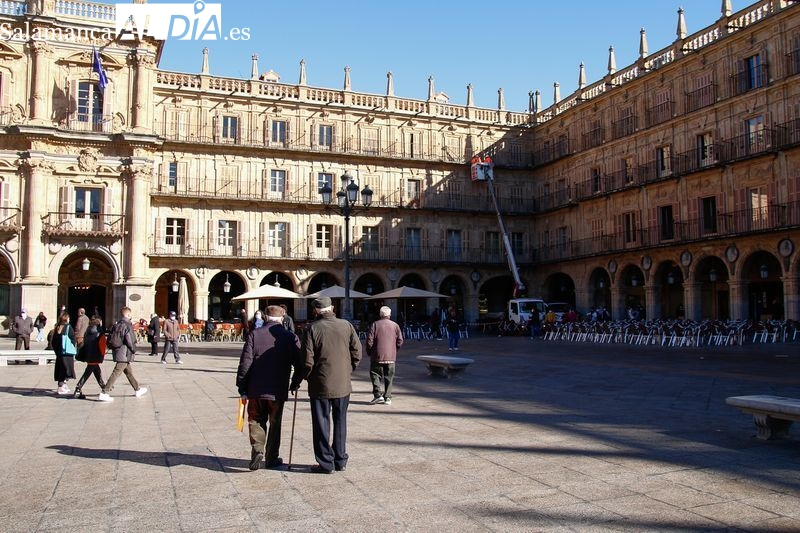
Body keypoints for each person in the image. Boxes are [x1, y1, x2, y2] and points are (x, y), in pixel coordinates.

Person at [294, 296, 361, 474]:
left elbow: (307, 361)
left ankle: (326, 463)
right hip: (343, 384)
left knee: (321, 423)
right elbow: (357, 351)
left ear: (316, 310)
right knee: (341, 422)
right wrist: (348, 370)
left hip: (320, 384)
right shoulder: (346, 325)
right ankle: (340, 460)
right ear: (331, 308)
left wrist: (300, 379)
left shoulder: (312, 328)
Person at [236, 305, 302, 471]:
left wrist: (242, 386)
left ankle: (258, 449)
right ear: (282, 318)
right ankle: (272, 457)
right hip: (278, 389)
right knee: (275, 422)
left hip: (256, 388)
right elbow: (300, 363)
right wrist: (295, 382)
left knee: (256, 419)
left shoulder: (254, 334)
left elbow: (245, 363)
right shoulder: (289, 336)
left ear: (265, 317)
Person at [98, 306, 147, 402]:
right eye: (130, 314)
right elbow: (129, 340)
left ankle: (137, 389)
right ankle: (104, 392)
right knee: (116, 372)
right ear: (128, 314)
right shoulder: (127, 325)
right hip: (124, 352)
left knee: (128, 372)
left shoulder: (117, 324)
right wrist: (133, 349)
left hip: (118, 351)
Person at [365, 306, 403, 405]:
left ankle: (377, 395)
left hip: (377, 355)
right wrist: (395, 350)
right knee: (389, 376)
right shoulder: (395, 325)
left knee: (375, 374)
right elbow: (400, 340)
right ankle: (388, 397)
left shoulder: (375, 325)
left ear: (380, 314)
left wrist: (369, 351)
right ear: (389, 315)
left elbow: (369, 340)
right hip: (391, 356)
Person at [73, 316, 106, 399]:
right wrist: (102, 355)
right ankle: (78, 388)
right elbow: (102, 346)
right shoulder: (99, 333)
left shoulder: (88, 331)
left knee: (97, 371)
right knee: (87, 373)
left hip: (89, 355)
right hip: (96, 356)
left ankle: (104, 387)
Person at [51, 311, 76, 394]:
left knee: (62, 368)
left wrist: (57, 351)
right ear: (66, 318)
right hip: (67, 352)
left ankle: (63, 384)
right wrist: (72, 345)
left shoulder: (57, 327)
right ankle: (61, 386)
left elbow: (53, 341)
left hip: (59, 352)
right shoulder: (68, 327)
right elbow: (73, 338)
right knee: (66, 369)